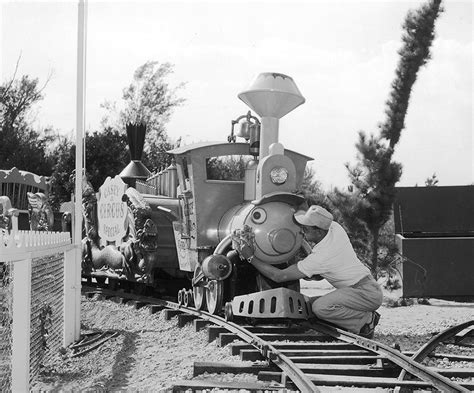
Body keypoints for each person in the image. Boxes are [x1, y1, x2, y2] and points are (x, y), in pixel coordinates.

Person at [247, 205, 383, 338]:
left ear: (319, 232)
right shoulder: (335, 228)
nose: (302, 231)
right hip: (366, 288)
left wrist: (250, 257)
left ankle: (366, 320)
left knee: (320, 308)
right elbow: (319, 275)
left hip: (365, 293)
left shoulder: (322, 256)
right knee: (307, 305)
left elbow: (278, 276)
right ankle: (354, 320)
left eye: (306, 229)